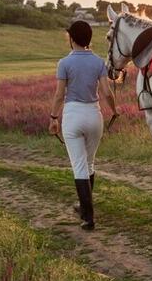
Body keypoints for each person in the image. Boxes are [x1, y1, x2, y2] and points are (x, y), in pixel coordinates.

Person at [49, 20, 117, 230]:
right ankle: (83, 207)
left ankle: (88, 217)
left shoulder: (64, 63)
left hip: (73, 114)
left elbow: (60, 94)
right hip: (94, 115)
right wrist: (114, 111)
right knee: (89, 164)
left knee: (79, 165)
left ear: (71, 38)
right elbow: (106, 92)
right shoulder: (98, 62)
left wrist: (53, 118)